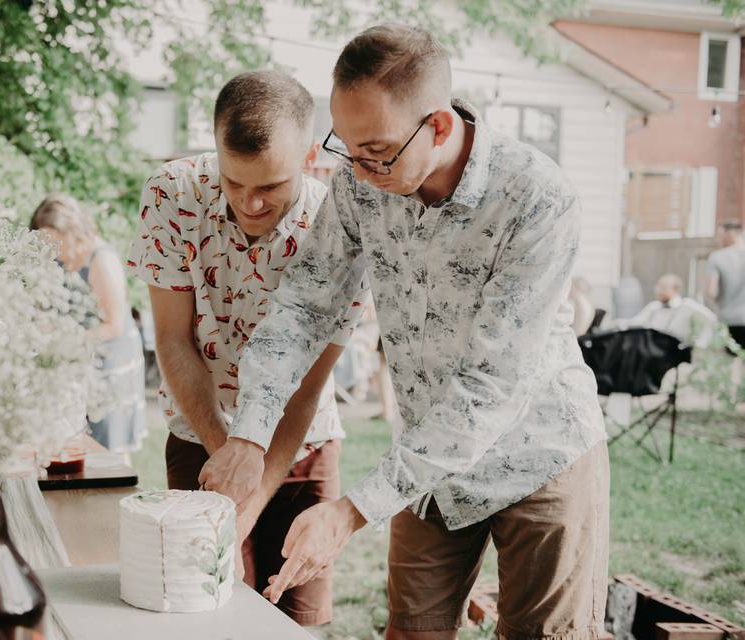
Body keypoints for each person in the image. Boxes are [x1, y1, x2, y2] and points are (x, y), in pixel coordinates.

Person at [199, 25, 609, 640]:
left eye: (377, 151)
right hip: (427, 472)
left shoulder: (537, 198)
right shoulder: (362, 185)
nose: (359, 171)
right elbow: (305, 306)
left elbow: (490, 386)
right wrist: (250, 436)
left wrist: (350, 512)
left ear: (439, 127)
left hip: (539, 456)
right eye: (346, 147)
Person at [125, 70, 366, 626]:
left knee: (294, 616)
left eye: (271, 187)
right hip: (198, 432)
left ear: (309, 157)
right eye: (234, 183)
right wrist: (224, 456)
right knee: (201, 612)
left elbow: (308, 384)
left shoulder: (337, 228)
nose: (250, 203)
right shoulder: (172, 194)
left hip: (300, 444)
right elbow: (172, 338)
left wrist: (249, 502)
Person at [30, 194, 147, 455]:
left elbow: (113, 325)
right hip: (80, 361)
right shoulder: (58, 257)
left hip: (110, 361)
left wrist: (65, 342)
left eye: (54, 240)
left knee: (108, 448)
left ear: (71, 232)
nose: (52, 249)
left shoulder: (101, 260)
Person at [620, 274, 715, 347]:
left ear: (676, 289)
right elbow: (636, 322)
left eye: (663, 287)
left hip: (675, 351)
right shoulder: (654, 307)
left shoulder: (687, 305)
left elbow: (711, 319)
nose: (659, 291)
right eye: (658, 287)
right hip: (653, 348)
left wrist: (700, 342)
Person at [706, 220, 745, 349]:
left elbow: (712, 292)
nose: (718, 239)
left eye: (720, 234)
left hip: (729, 320)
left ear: (731, 234)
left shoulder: (717, 257)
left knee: (729, 363)